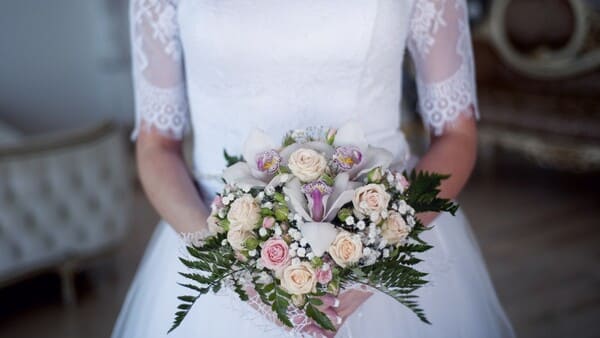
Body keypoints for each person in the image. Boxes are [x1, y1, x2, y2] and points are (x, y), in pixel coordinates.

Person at [112, 0, 516, 337]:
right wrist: (226, 262)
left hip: (389, 241)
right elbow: (156, 147)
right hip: (217, 245)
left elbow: (456, 135)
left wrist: (383, 248)